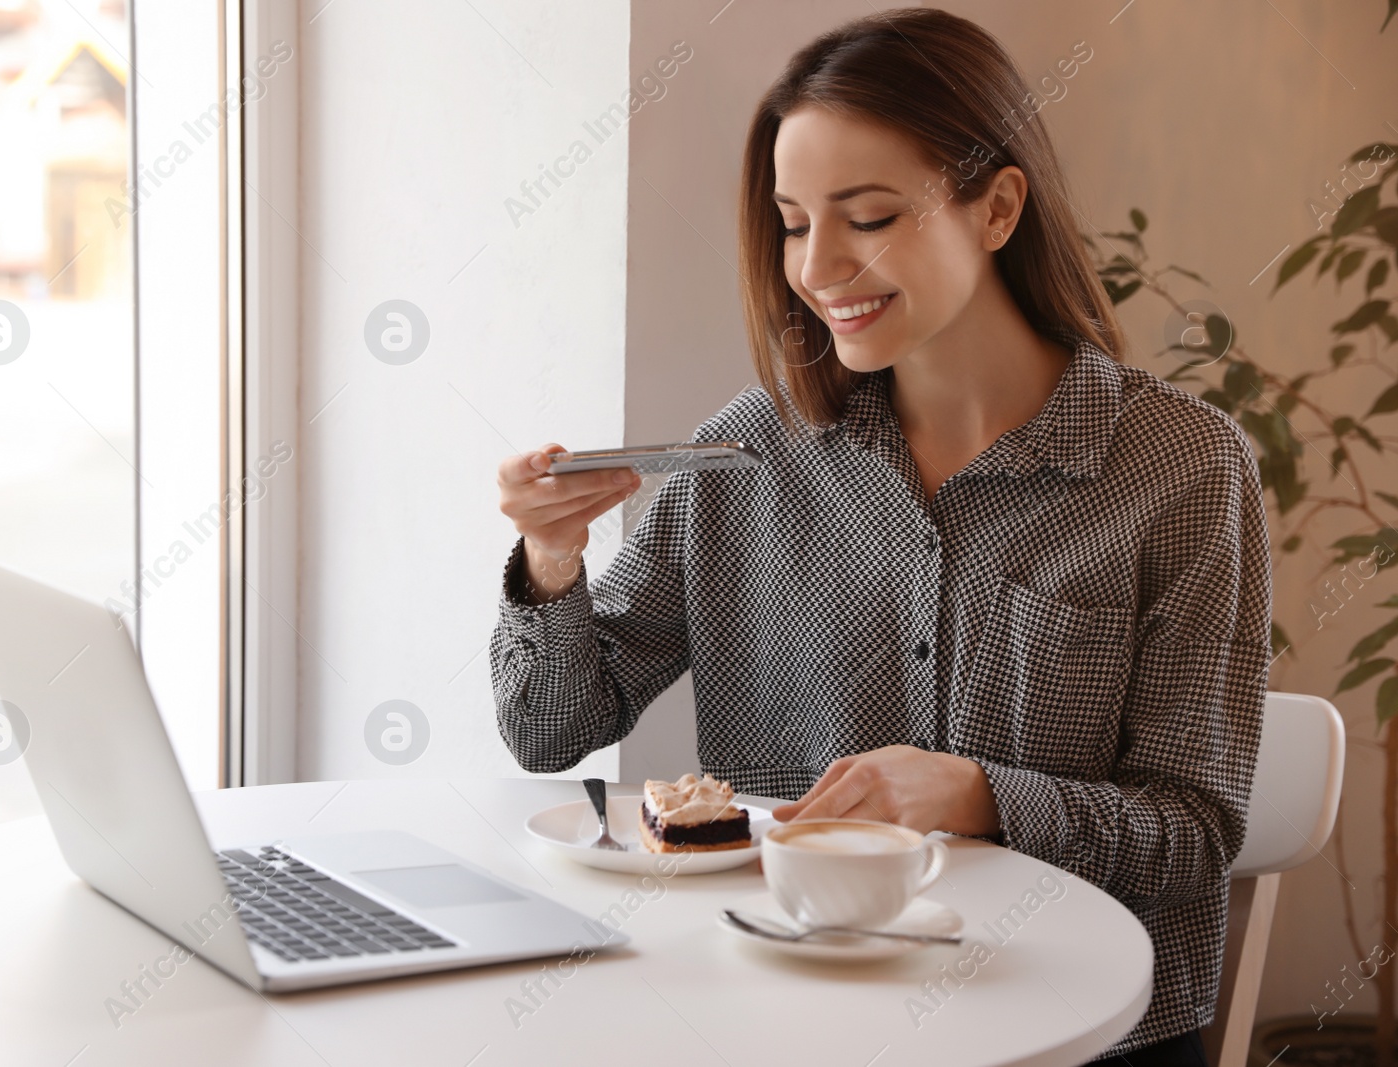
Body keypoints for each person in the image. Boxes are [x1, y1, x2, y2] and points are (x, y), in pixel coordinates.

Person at [489, 10, 1270, 1066]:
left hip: (1084, 1028)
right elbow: (550, 730)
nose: (818, 267)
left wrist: (980, 794)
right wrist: (552, 560)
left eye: (866, 217)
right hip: (796, 1013)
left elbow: (1191, 836)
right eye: (793, 220)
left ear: (996, 207)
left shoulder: (1180, 469)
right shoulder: (749, 453)